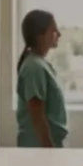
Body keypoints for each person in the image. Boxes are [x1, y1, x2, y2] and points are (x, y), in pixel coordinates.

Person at [14, 9, 68, 148]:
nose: (59, 34)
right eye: (54, 30)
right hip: (37, 146)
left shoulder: (40, 63)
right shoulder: (34, 67)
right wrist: (47, 148)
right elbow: (36, 112)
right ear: (40, 35)